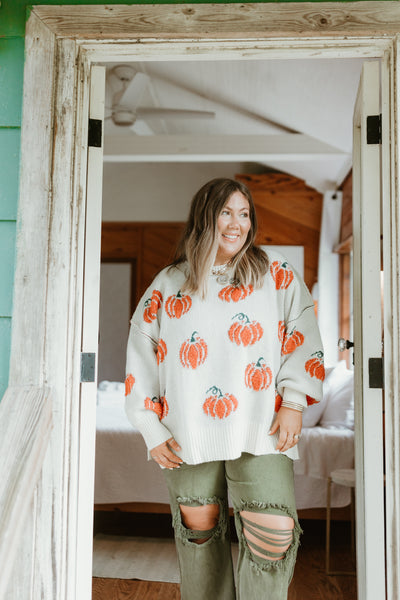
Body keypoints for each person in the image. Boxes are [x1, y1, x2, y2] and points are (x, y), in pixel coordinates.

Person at [125, 178, 324, 600]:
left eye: (245, 213)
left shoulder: (276, 271)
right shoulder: (168, 282)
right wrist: (150, 427)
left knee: (274, 536)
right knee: (199, 533)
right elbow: (140, 354)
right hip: (186, 430)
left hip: (263, 426)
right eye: (226, 212)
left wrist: (293, 402)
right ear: (205, 218)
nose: (237, 224)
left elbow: (303, 332)